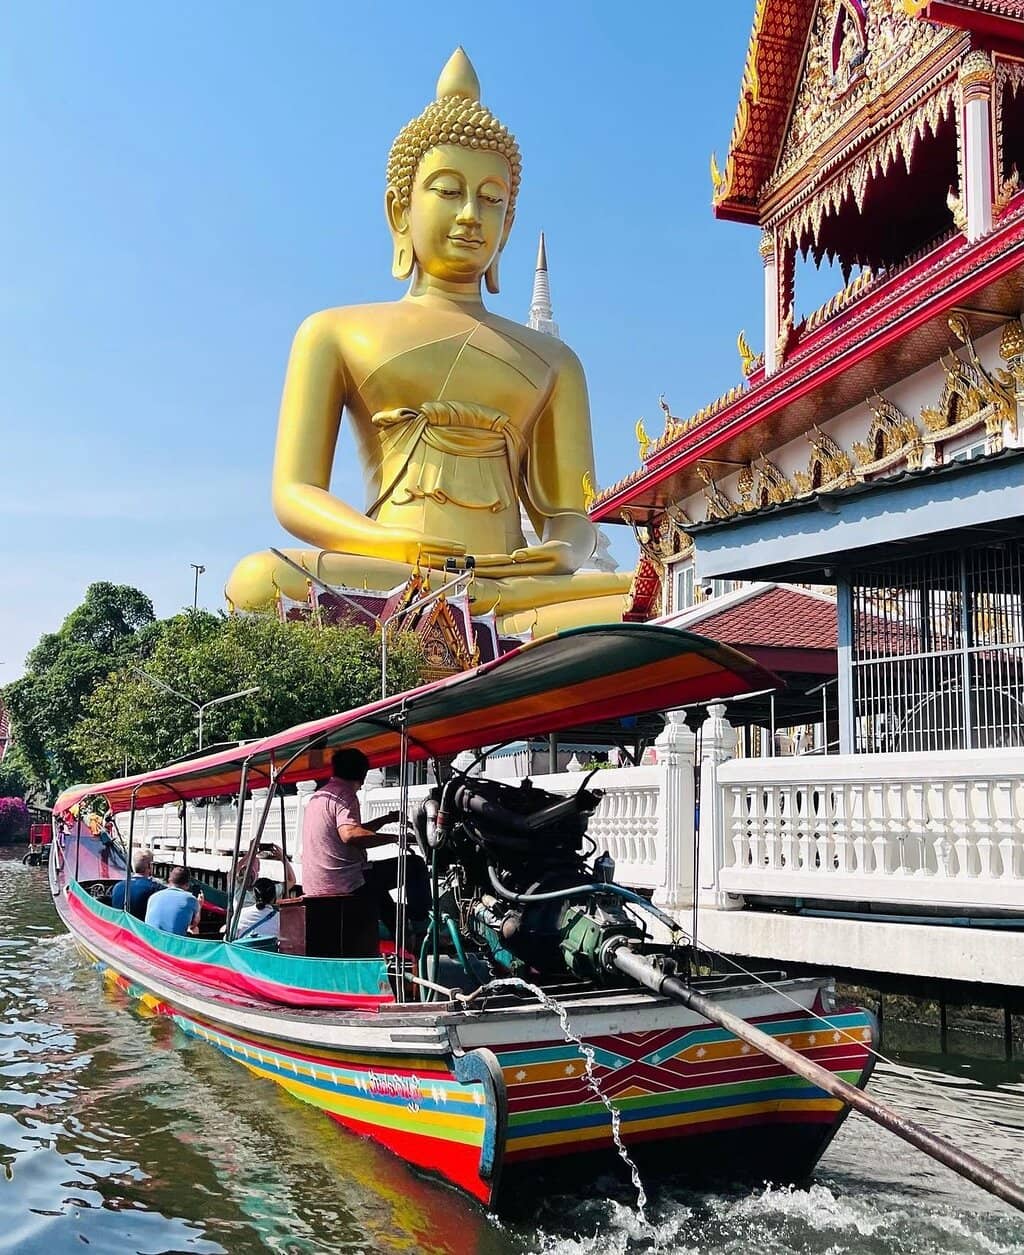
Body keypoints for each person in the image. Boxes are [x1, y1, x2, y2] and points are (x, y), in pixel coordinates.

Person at [224, 48, 632, 636]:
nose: (471, 215)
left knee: (645, 600)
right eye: (448, 190)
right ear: (400, 212)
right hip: (391, 573)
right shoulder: (333, 331)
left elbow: (568, 513)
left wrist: (563, 550)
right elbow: (295, 494)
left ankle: (479, 628)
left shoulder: (554, 360)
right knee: (260, 580)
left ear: (509, 226)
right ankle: (473, 631)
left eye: (492, 200)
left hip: (508, 582)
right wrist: (391, 544)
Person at [302, 747, 430, 953]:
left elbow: (350, 829)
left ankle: (406, 942)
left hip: (320, 883)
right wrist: (397, 838)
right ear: (360, 776)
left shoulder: (321, 795)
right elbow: (350, 834)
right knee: (414, 866)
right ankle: (423, 931)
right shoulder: (346, 794)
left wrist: (386, 819)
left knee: (381, 896)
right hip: (345, 882)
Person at [145, 866, 203, 936]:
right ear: (187, 885)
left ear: (169, 881)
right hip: (173, 942)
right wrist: (199, 906)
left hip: (150, 940)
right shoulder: (190, 899)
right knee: (195, 929)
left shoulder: (153, 897)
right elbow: (193, 924)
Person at [110, 850, 163, 920]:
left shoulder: (117, 886)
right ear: (149, 866)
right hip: (139, 929)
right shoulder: (154, 888)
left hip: (119, 926)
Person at [235, 877, 281, 942]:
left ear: (254, 895)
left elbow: (228, 940)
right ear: (274, 897)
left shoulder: (240, 915)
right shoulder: (281, 919)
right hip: (267, 951)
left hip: (243, 951)